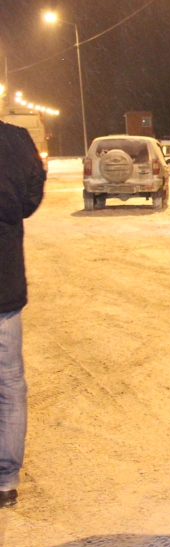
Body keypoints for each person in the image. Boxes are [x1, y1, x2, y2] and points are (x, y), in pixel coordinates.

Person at [0, 119, 47, 508]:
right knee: (10, 385)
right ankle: (5, 481)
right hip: (5, 283)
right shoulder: (17, 140)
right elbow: (31, 200)